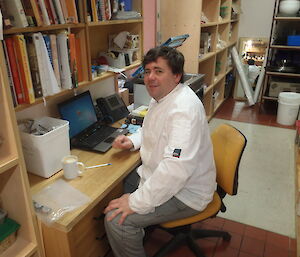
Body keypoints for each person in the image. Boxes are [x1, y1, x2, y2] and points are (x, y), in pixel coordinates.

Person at [104, 46, 216, 257]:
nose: (150, 78)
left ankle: (130, 233)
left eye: (158, 71)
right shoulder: (163, 97)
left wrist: (135, 203)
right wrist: (132, 141)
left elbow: (175, 169)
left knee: (117, 221)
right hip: (169, 178)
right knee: (123, 183)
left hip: (186, 193)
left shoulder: (183, 110)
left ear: (176, 75)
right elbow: (152, 129)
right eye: (147, 71)